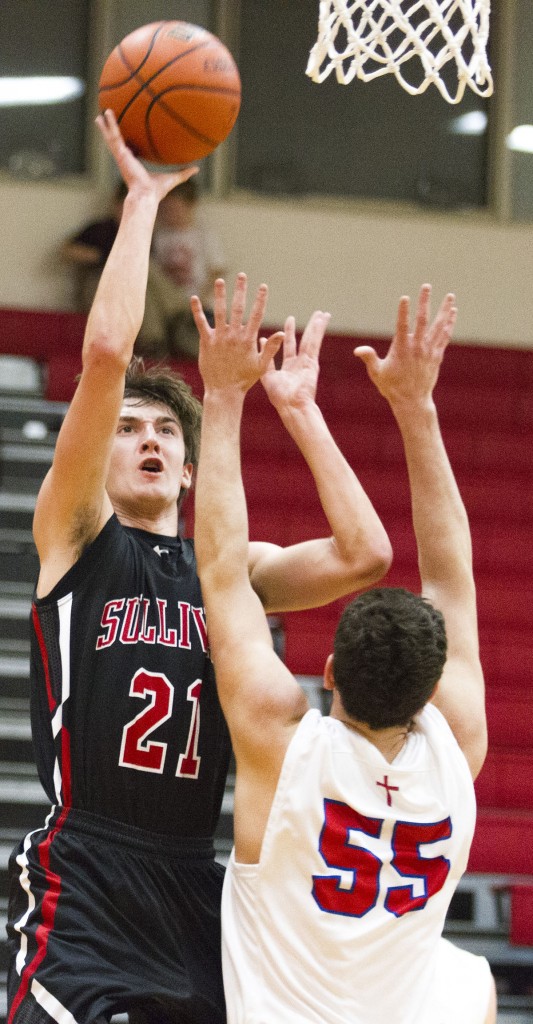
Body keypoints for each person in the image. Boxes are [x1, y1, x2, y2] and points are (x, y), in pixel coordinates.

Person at [6, 110, 391, 1024]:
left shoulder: (234, 574)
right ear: (98, 457)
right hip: (85, 869)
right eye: (129, 429)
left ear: (189, 466)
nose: (145, 439)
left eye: (166, 431)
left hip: (196, 881)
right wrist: (143, 202)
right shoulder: (75, 536)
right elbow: (106, 355)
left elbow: (363, 553)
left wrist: (297, 411)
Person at [192, 279, 498, 1024]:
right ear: (430, 689)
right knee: (469, 983)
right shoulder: (455, 744)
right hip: (411, 1011)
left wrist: (228, 396)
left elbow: (223, 568)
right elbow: (451, 569)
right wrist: (415, 407)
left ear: (327, 671)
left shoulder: (279, 743)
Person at [60, 180, 197, 359]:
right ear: (116, 204)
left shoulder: (142, 231)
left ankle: (158, 338)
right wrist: (106, 257)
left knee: (144, 278)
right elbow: (67, 251)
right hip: (103, 284)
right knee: (138, 270)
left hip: (134, 288)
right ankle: (176, 315)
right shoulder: (101, 228)